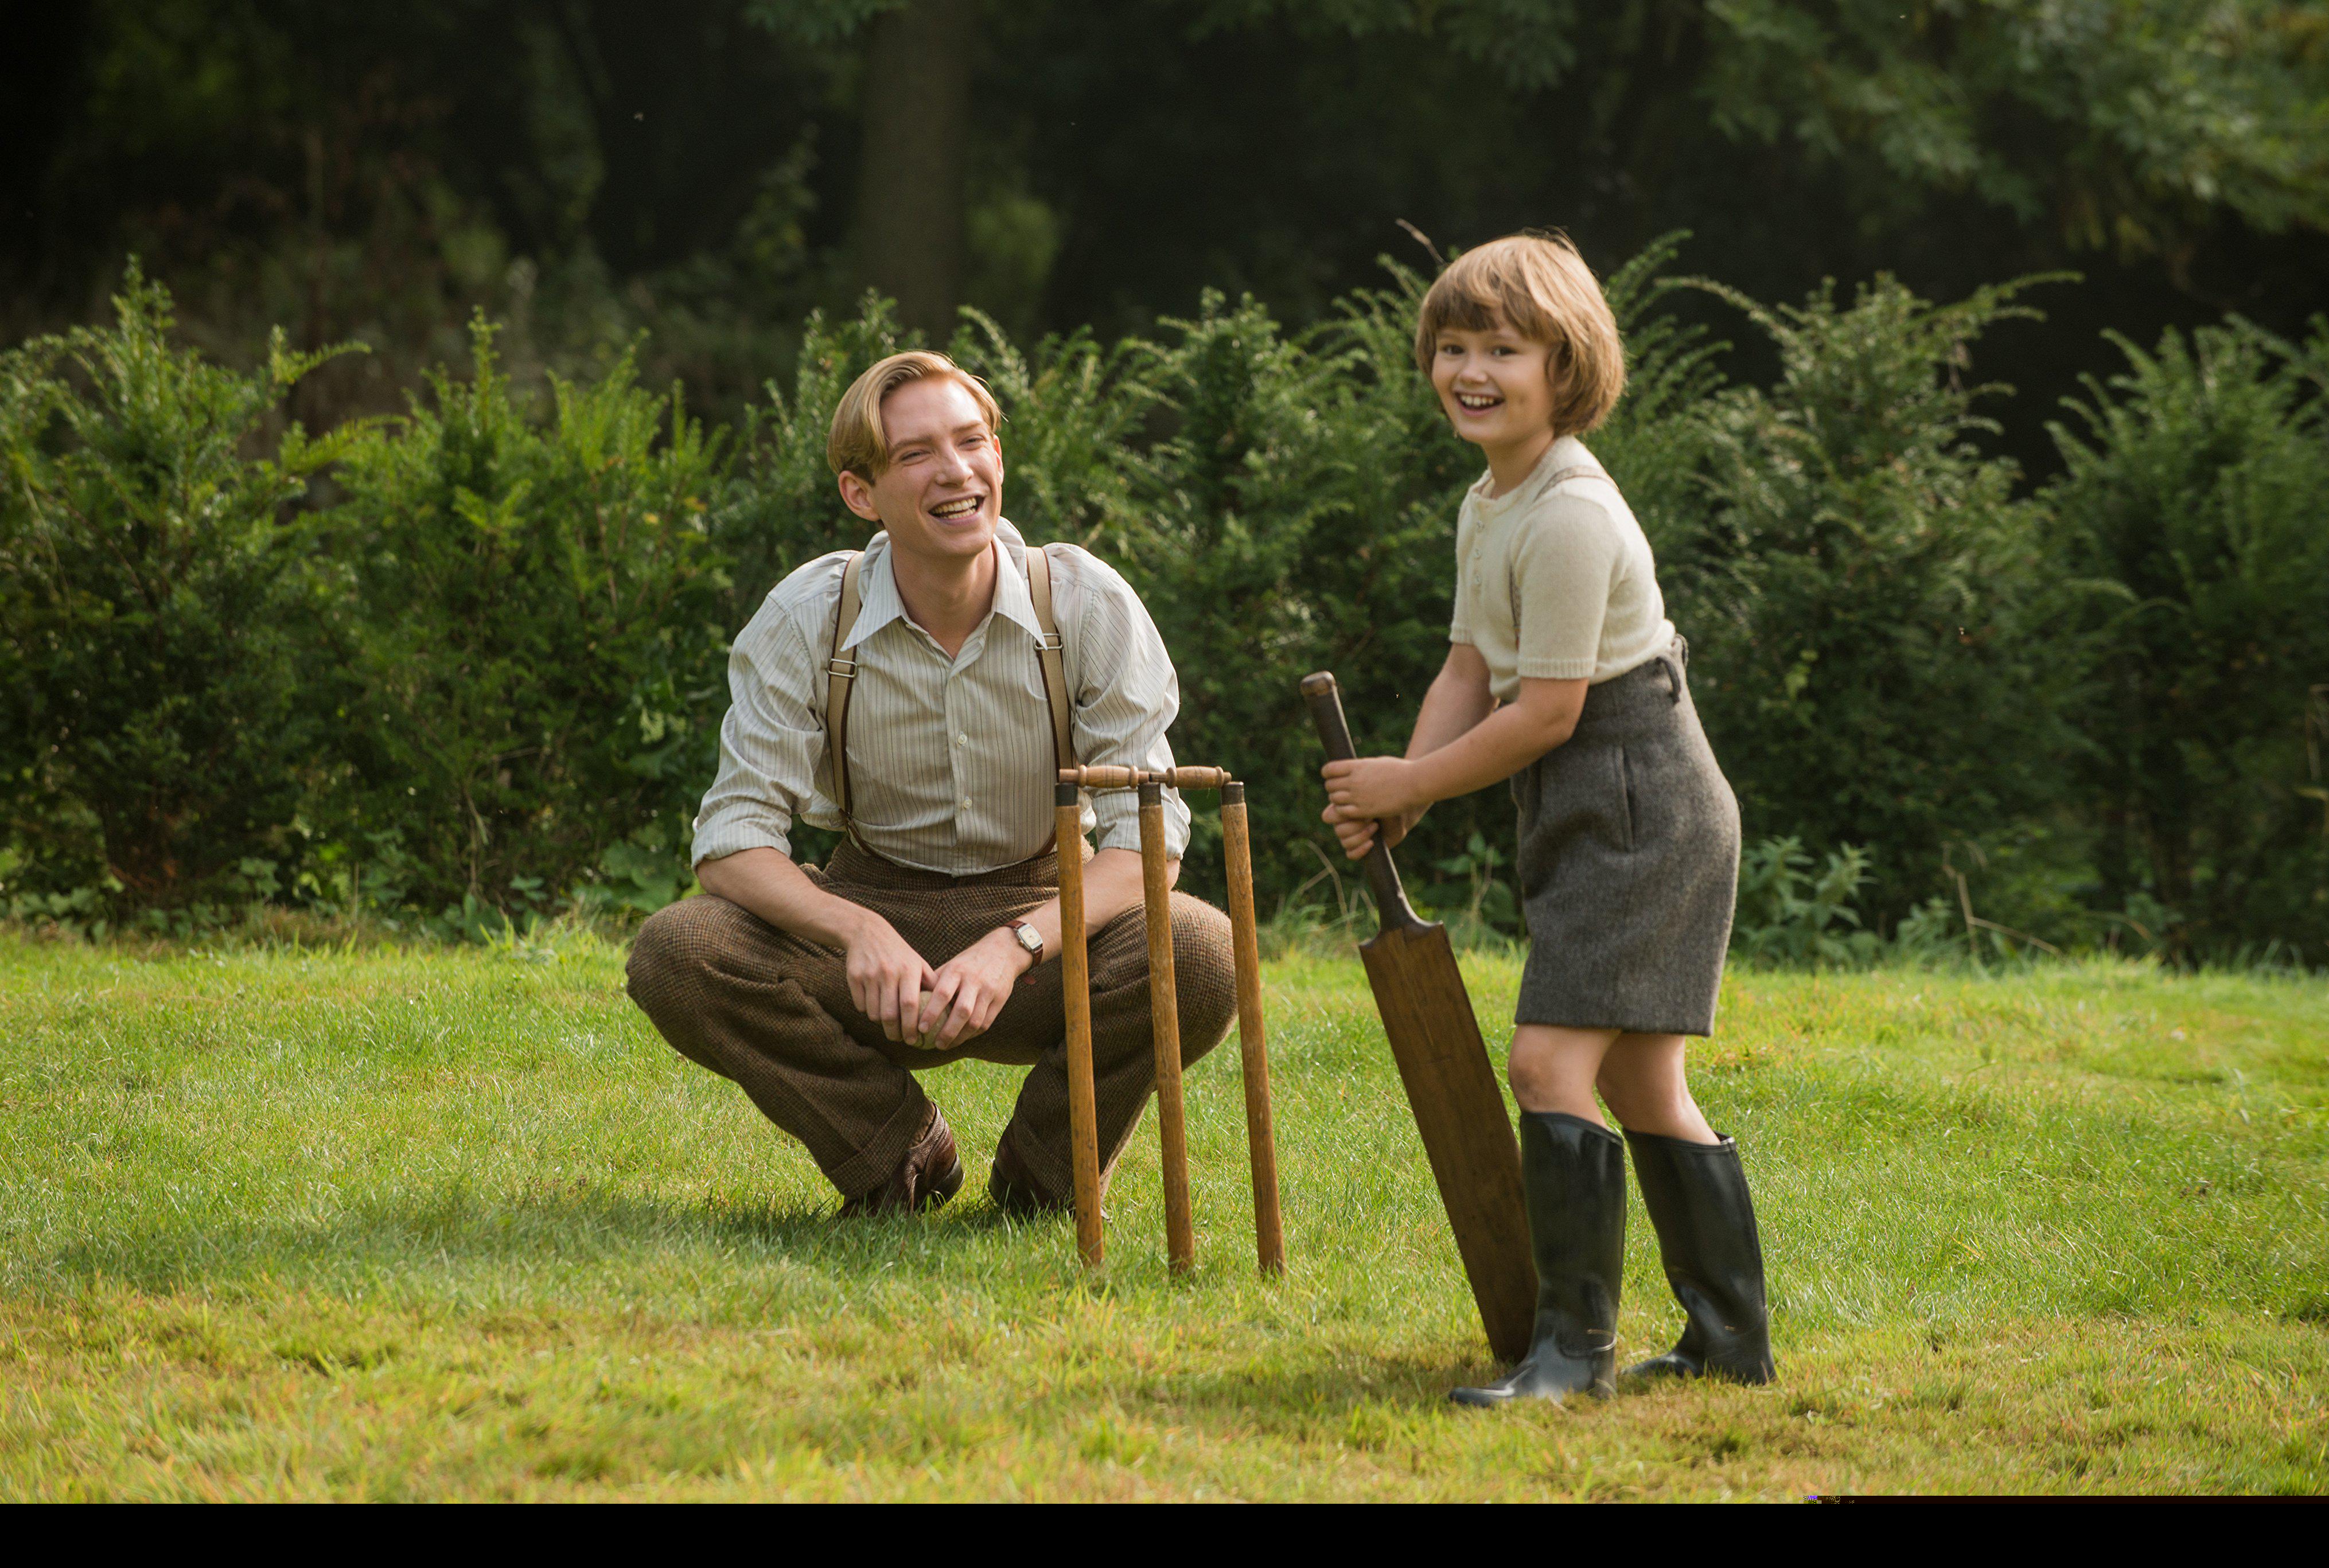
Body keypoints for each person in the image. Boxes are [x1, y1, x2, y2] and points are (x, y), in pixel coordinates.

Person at [1318, 233, 1773, 1402]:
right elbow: (1471, 667)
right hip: (1598, 793)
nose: (1470, 370)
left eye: (1502, 350)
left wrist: (1408, 784)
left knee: (1546, 1061)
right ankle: (1728, 1339)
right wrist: (1403, 780)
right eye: (1451, 347)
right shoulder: (1490, 499)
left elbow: (1548, 714)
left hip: (1641, 799)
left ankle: (1571, 1350)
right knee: (1640, 1085)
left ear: (1563, 365)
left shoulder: (1569, 510)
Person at [627, 350, 1234, 1217]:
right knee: (677, 953)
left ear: (998, 455)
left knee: (1200, 952)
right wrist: (854, 928)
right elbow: (731, 843)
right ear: (860, 493)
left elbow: (1148, 844)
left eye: (972, 441)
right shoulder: (809, 615)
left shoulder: (1085, 603)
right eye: (916, 455)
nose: (956, 472)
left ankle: (1044, 1177)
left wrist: (1013, 946)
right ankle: (897, 1154)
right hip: (872, 922)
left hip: (1044, 927)